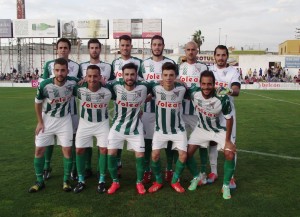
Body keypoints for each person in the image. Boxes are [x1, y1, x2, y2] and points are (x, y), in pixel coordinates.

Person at [28, 58, 79, 193]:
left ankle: (66, 181)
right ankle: (39, 181)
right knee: (39, 150)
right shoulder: (44, 85)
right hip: (47, 120)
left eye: (63, 70)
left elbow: (85, 83)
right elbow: (38, 103)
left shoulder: (73, 82)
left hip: (64, 121)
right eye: (57, 70)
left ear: (67, 71)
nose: (60, 73)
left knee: (67, 150)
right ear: (53, 71)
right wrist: (40, 122)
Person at [186, 70, 236, 199]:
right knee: (185, 154)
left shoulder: (222, 98)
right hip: (201, 129)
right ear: (200, 84)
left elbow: (229, 118)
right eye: (203, 84)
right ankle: (197, 177)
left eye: (209, 84)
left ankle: (225, 186)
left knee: (230, 153)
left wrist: (228, 140)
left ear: (214, 84)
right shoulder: (194, 93)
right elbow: (180, 88)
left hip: (218, 130)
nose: (206, 87)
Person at [139, 35, 177, 184]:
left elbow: (177, 82)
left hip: (167, 109)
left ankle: (169, 169)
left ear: (163, 46)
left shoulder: (171, 62)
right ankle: (148, 170)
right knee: (148, 141)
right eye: (154, 44)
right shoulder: (144, 64)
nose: (157, 47)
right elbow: (141, 87)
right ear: (151, 46)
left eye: (159, 44)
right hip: (149, 109)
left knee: (168, 141)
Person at [42, 38, 81, 181]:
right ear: (57, 49)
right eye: (60, 47)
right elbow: (43, 86)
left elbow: (80, 84)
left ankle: (74, 168)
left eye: (65, 47)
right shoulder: (48, 65)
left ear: (69, 50)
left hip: (71, 109)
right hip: (50, 111)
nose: (63, 50)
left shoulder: (76, 66)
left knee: (73, 138)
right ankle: (47, 166)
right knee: (49, 138)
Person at [106, 63, 148, 195]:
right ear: (122, 75)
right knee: (111, 153)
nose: (129, 77)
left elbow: (161, 83)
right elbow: (96, 84)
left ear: (136, 75)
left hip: (135, 129)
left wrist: (176, 79)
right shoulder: (115, 86)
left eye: (132, 74)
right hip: (117, 128)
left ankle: (139, 182)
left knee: (140, 155)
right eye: (127, 74)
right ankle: (115, 182)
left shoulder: (144, 87)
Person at [147, 62, 187, 193]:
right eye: (165, 75)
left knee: (183, 155)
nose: (168, 78)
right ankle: (158, 180)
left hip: (178, 130)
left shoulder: (182, 89)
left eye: (171, 75)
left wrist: (182, 83)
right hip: (160, 130)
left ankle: (175, 180)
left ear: (175, 76)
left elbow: (197, 91)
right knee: (154, 156)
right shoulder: (155, 88)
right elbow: (141, 85)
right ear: (161, 76)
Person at [73, 65, 112, 194]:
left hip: (102, 124)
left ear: (100, 77)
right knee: (79, 150)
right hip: (84, 124)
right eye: (89, 76)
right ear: (85, 77)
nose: (92, 79)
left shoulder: (108, 90)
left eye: (95, 76)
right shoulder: (78, 89)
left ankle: (101, 180)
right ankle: (81, 179)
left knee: (104, 149)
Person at [79, 38, 115, 179]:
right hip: (86, 110)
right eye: (92, 47)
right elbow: (78, 83)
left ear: (100, 49)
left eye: (97, 47)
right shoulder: (81, 66)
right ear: (89, 49)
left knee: (103, 145)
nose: (94, 50)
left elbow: (112, 84)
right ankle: (87, 167)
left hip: (102, 109)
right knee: (84, 143)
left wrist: (105, 84)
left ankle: (104, 172)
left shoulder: (108, 66)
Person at [208, 45, 241, 189]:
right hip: (212, 112)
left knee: (230, 144)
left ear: (227, 56)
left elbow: (236, 90)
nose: (221, 58)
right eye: (218, 55)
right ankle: (213, 172)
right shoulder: (209, 70)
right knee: (212, 142)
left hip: (228, 113)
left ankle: (231, 177)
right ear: (214, 56)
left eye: (223, 55)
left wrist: (226, 90)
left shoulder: (233, 71)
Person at [111, 35, 143, 177]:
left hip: (135, 103)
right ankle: (117, 162)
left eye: (127, 45)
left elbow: (143, 84)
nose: (125, 48)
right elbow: (112, 83)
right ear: (119, 46)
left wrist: (140, 103)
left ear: (131, 46)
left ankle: (144, 168)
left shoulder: (139, 63)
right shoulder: (114, 62)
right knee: (118, 132)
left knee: (136, 133)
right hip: (119, 104)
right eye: (122, 45)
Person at [178, 41, 208, 185]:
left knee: (202, 144)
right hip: (181, 112)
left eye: (193, 49)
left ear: (197, 51)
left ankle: (203, 173)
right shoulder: (180, 68)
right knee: (179, 143)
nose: (190, 52)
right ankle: (174, 170)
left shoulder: (203, 67)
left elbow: (207, 86)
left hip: (198, 113)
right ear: (185, 51)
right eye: (188, 49)